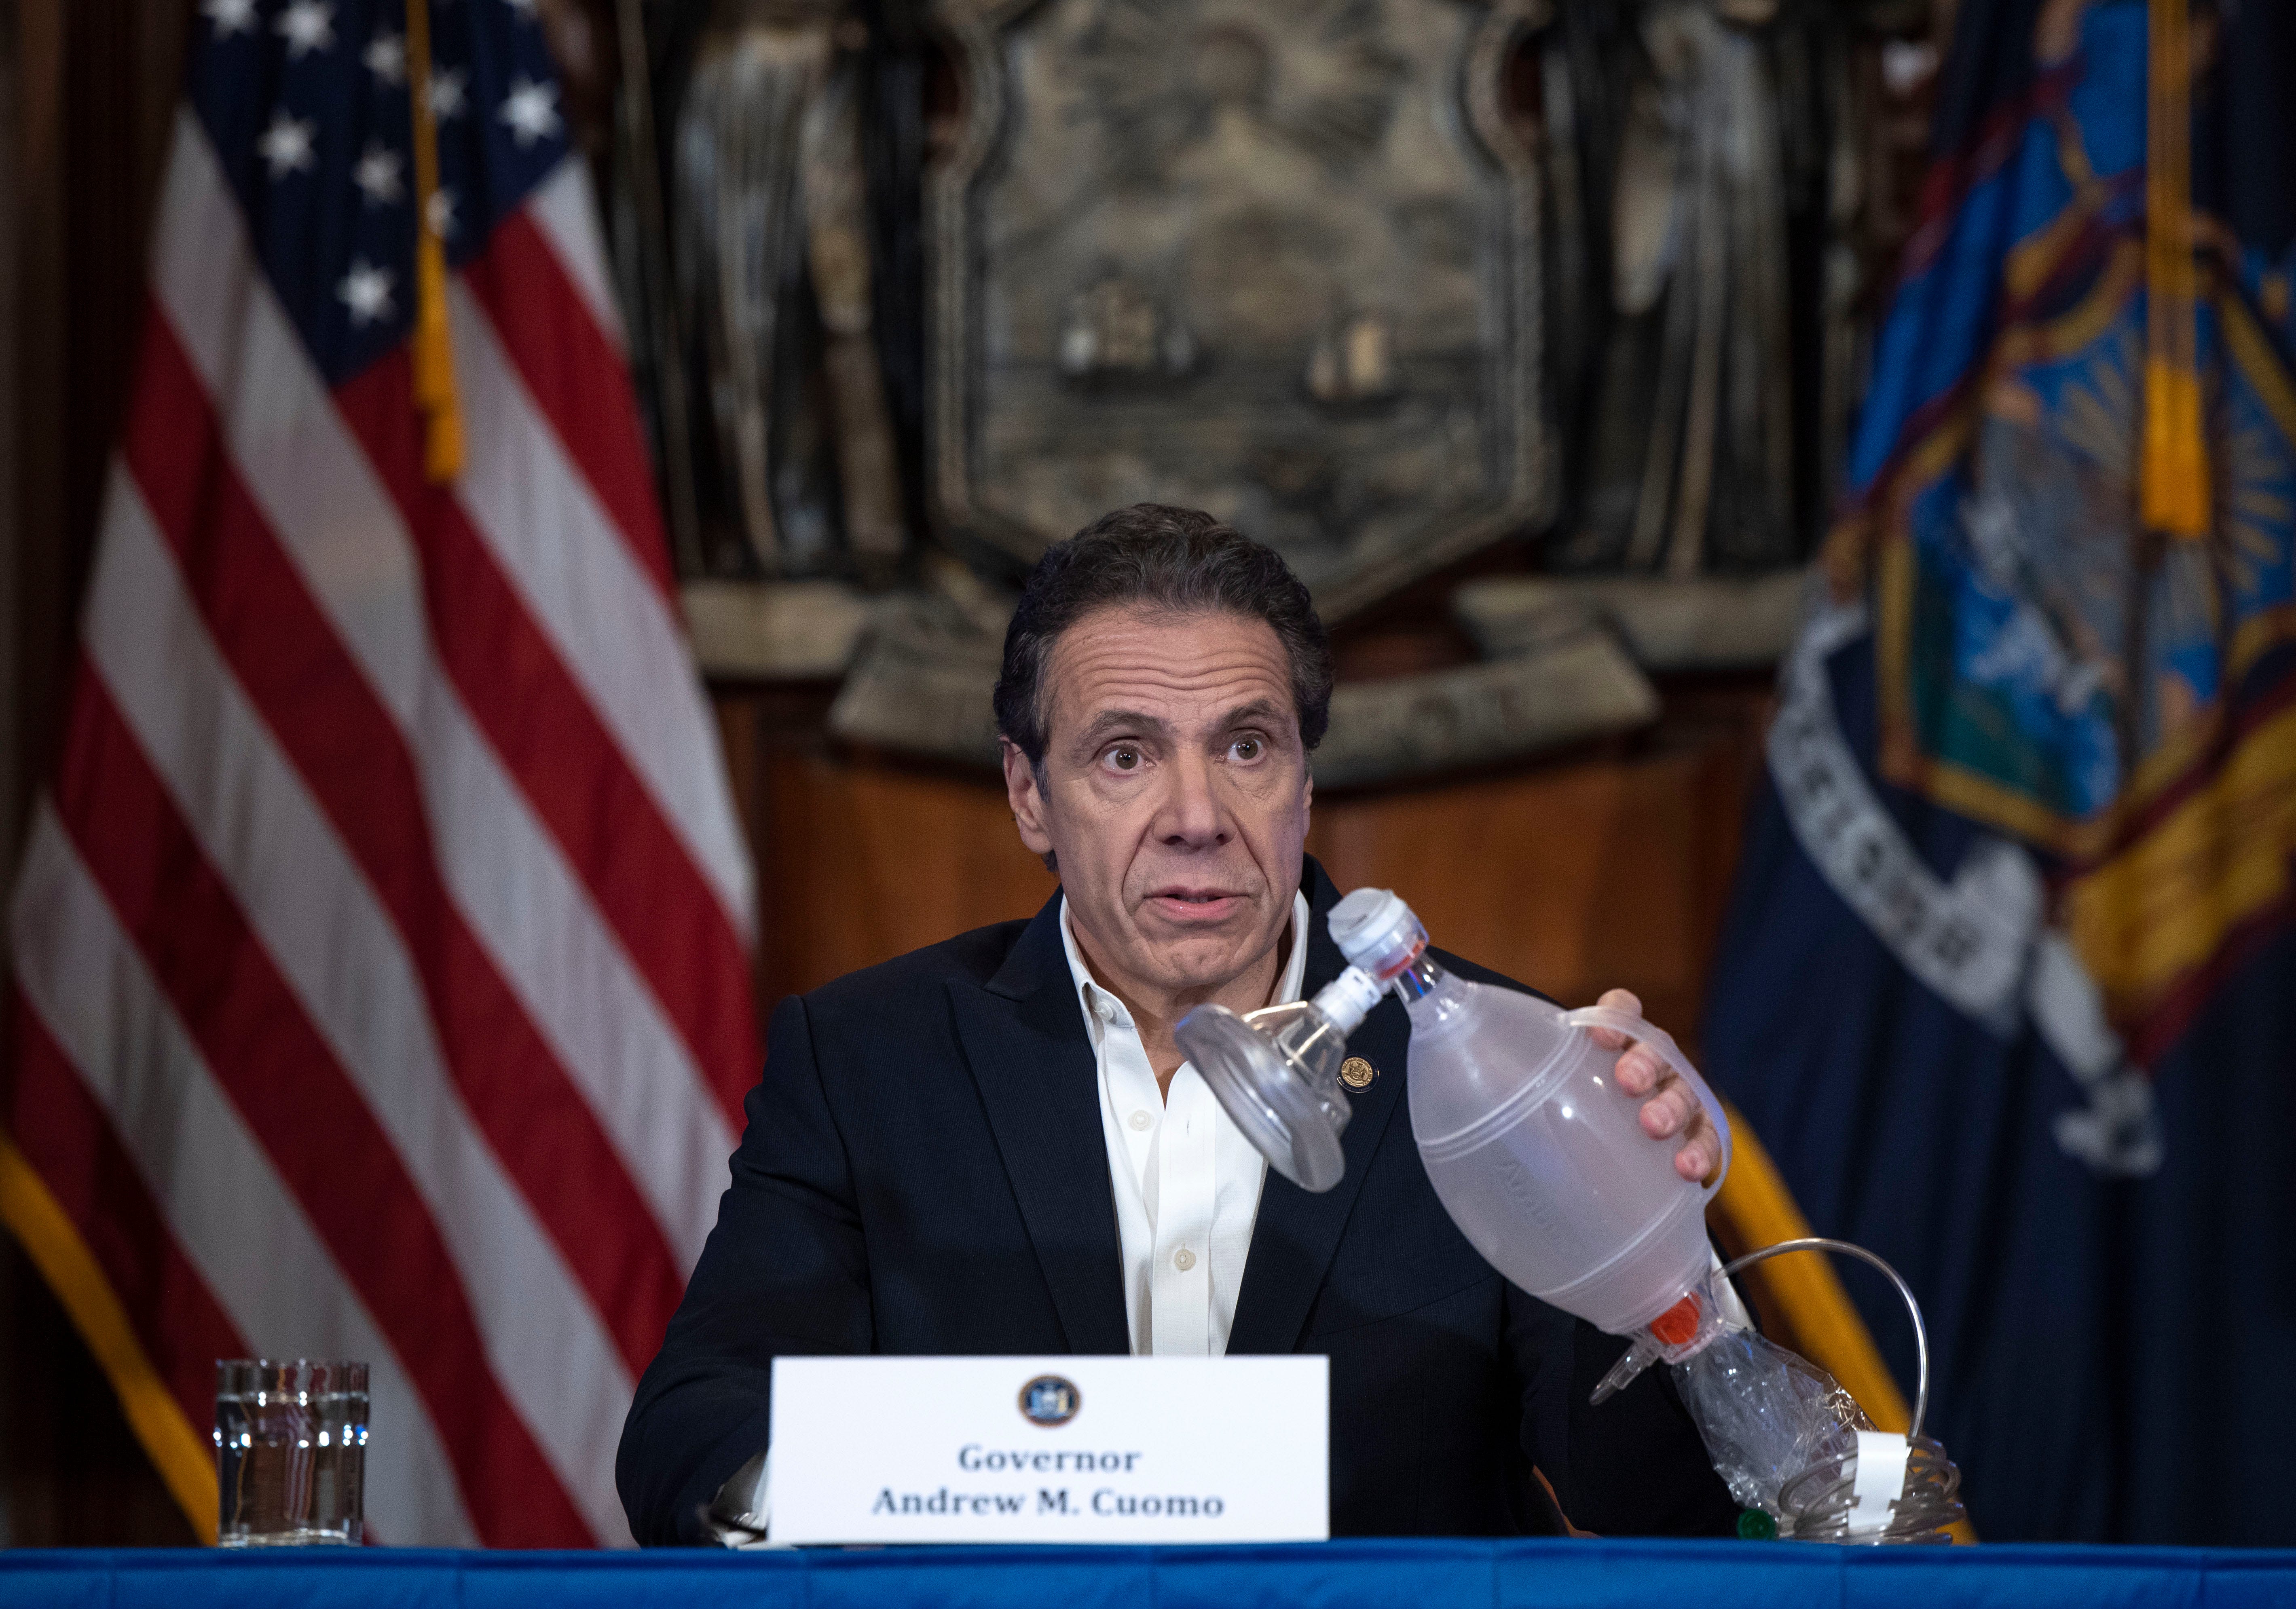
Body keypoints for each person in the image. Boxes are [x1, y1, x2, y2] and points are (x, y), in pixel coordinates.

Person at [617, 505, 1738, 1544]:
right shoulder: (871, 1061)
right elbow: (692, 1431)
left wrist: (1652, 1254)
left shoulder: (1487, 1073)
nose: (1197, 817)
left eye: (1246, 747)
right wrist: (883, 1499)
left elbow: (1676, 1500)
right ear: (1029, 795)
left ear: (1305, 784)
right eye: (1126, 754)